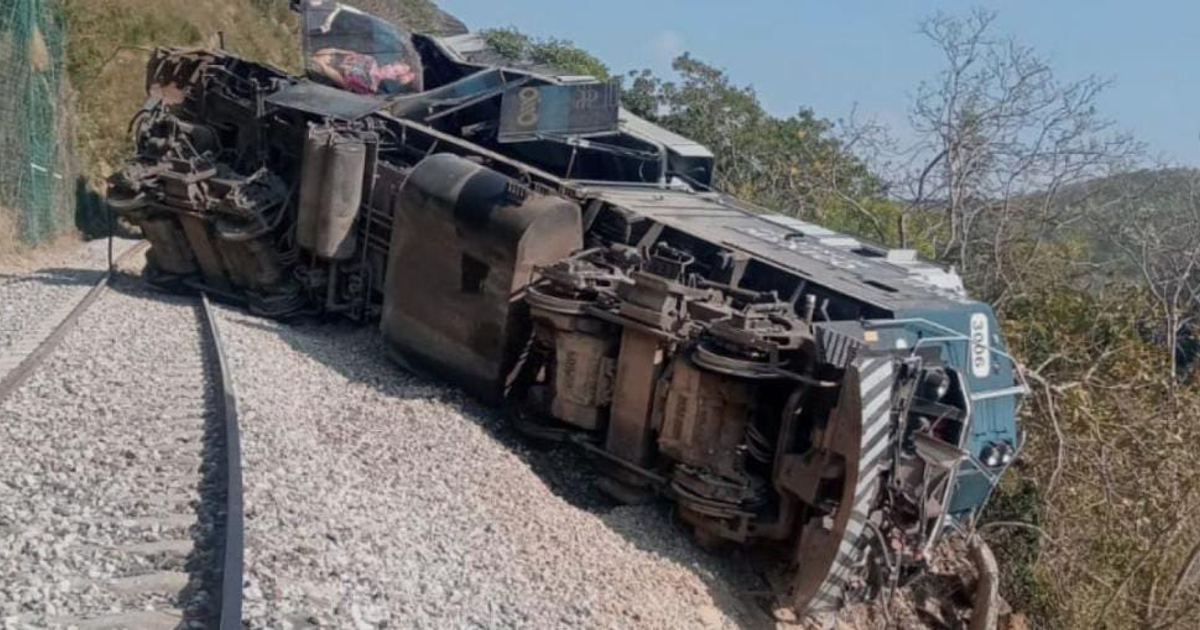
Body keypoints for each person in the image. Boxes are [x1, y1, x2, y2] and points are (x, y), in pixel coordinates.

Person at [309, 48, 418, 95]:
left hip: (320, 78)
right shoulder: (370, 60)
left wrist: (322, 66)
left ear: (393, 79)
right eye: (392, 66)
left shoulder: (370, 87)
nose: (389, 69)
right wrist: (336, 53)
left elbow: (342, 82)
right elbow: (342, 53)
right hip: (322, 64)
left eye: (394, 73)